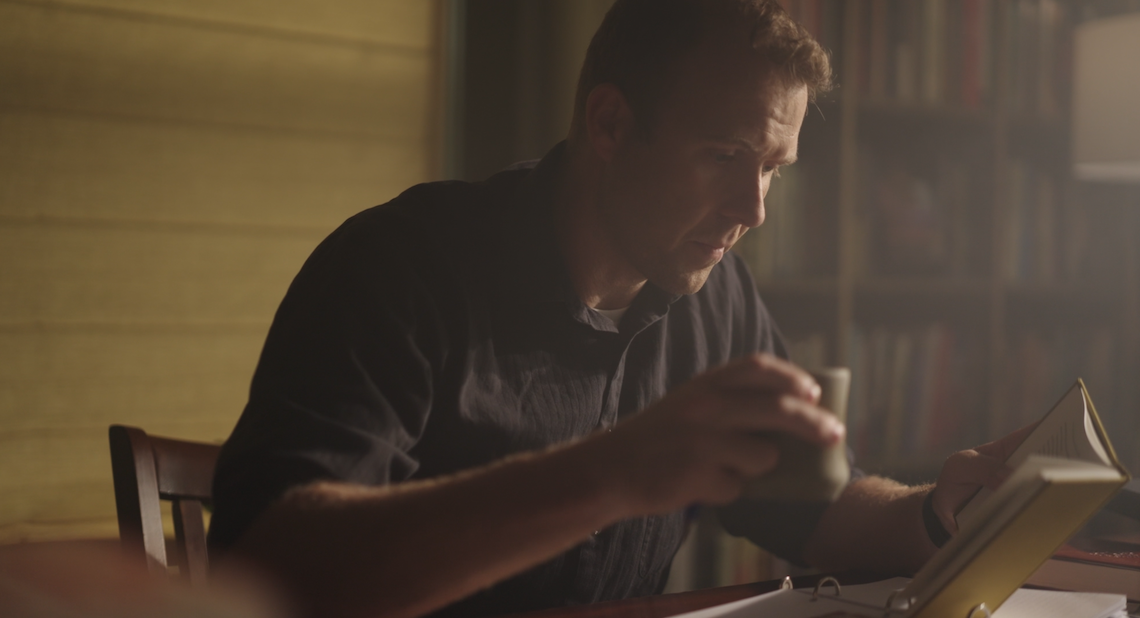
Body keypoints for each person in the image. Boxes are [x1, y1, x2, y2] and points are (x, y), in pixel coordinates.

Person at [208, 2, 1026, 618]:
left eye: (775, 168)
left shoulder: (717, 292)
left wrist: (936, 509)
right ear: (609, 121)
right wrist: (616, 471)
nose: (754, 209)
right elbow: (267, 571)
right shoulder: (399, 268)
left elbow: (812, 507)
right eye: (723, 156)